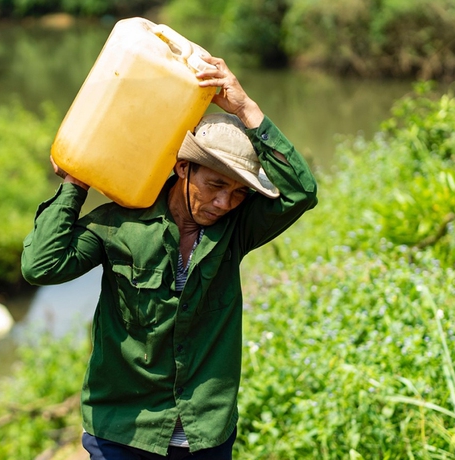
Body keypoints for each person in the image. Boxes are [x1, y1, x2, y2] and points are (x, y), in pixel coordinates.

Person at [21, 56, 318, 459]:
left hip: (205, 433)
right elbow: (42, 265)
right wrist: (76, 183)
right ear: (183, 168)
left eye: (237, 194)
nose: (223, 203)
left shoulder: (236, 231)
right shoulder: (120, 222)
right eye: (215, 185)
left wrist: (246, 108)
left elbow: (302, 192)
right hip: (124, 429)